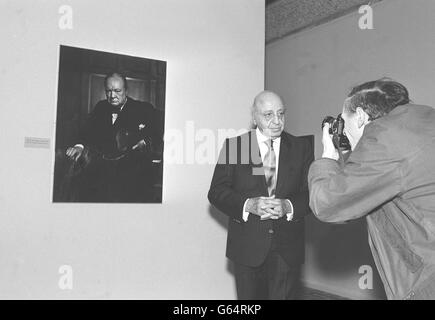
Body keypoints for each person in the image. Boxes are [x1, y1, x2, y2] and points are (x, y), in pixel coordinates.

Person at [308, 78, 435, 300]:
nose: (346, 134)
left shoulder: (385, 139)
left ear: (360, 116)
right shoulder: (424, 118)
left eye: (345, 125)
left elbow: (326, 203)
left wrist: (328, 157)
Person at [208, 91, 314, 300]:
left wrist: (288, 206)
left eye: (281, 114)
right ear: (254, 117)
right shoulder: (236, 146)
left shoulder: (301, 148)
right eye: (268, 115)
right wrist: (247, 205)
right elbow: (217, 191)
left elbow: (312, 194)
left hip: (287, 248)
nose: (276, 121)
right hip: (247, 247)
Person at [65, 72, 163, 202]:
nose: (112, 96)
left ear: (126, 90)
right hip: (104, 174)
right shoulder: (100, 107)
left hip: (133, 176)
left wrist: (145, 141)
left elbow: (158, 128)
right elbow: (86, 130)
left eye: (117, 91)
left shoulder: (142, 108)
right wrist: (79, 146)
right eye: (109, 91)